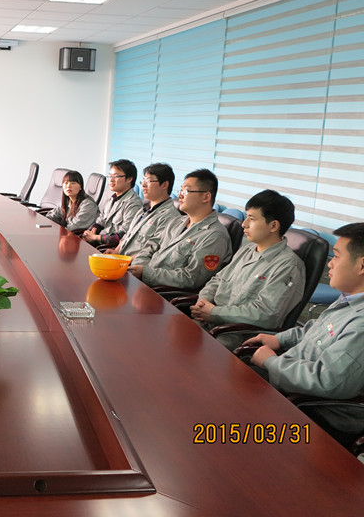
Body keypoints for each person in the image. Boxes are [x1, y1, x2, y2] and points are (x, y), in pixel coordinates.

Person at [246, 222, 364, 439]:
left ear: (362, 266)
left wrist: (271, 362)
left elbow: (326, 381)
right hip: (292, 382)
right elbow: (316, 330)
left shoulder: (361, 323)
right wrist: (279, 339)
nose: (330, 264)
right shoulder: (350, 298)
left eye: (337, 256)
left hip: (315, 412)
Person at [191, 190, 305, 350]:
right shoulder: (246, 250)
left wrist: (214, 312)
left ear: (273, 226)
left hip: (237, 336)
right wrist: (203, 302)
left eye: (251, 219)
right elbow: (217, 280)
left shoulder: (288, 266)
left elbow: (266, 315)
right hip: (209, 322)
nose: (244, 224)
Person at [127, 168, 232, 290]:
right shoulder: (176, 222)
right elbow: (150, 247)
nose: (180, 195)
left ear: (206, 197)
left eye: (186, 191)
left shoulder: (215, 236)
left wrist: (146, 273)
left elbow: (191, 278)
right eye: (180, 190)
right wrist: (139, 268)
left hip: (161, 293)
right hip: (142, 282)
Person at [110, 163, 181, 263]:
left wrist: (122, 260)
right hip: (122, 261)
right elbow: (127, 236)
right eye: (143, 181)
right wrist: (116, 252)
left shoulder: (170, 217)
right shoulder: (143, 209)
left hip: (135, 266)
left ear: (164, 185)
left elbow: (155, 253)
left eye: (148, 181)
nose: (143, 185)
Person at [82, 159, 143, 247]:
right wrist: (90, 231)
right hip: (97, 242)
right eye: (110, 176)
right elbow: (101, 220)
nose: (111, 180)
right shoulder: (113, 198)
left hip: (109, 248)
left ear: (129, 179)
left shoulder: (134, 204)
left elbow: (123, 236)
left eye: (115, 176)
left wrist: (95, 237)